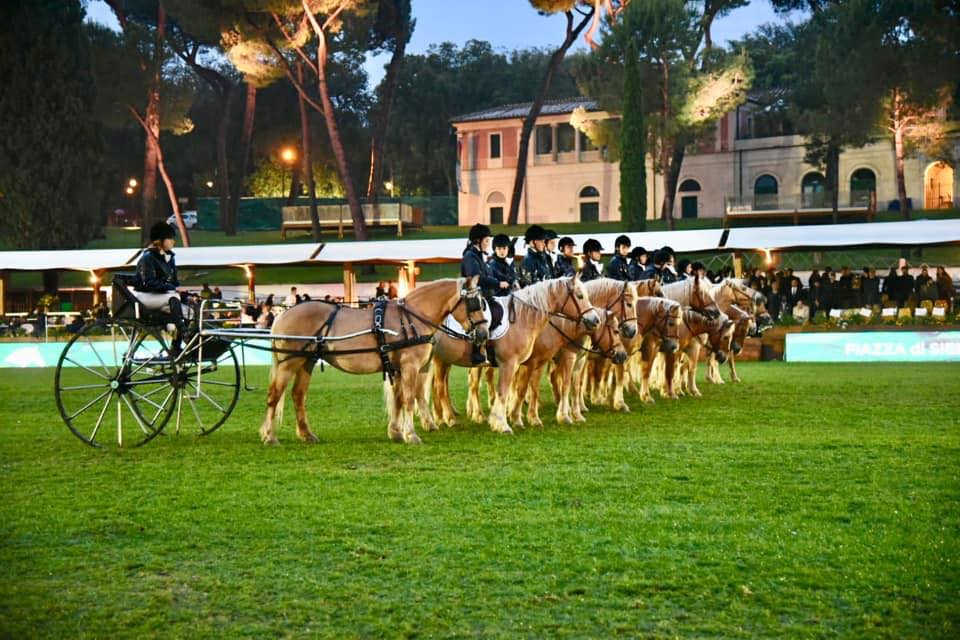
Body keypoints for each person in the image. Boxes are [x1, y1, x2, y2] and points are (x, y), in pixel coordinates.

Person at [460, 224, 507, 364]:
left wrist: (505, 280)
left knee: (498, 311)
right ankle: (477, 352)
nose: (488, 244)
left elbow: (491, 273)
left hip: (485, 296)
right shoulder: (470, 256)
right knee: (484, 318)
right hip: (473, 296)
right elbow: (477, 278)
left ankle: (492, 346)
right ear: (477, 241)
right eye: (486, 241)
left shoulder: (479, 256)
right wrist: (497, 283)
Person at [133, 221, 188, 339]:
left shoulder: (170, 258)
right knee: (174, 297)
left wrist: (179, 289)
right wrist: (172, 289)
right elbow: (147, 283)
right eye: (170, 238)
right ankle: (183, 332)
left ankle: (176, 347)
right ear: (160, 240)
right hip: (145, 296)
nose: (173, 241)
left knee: (189, 312)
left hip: (162, 296)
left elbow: (174, 281)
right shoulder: (147, 258)